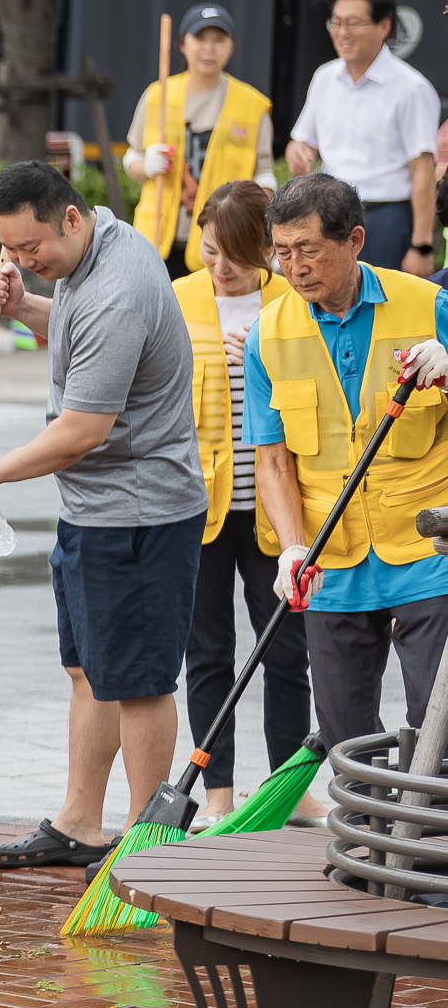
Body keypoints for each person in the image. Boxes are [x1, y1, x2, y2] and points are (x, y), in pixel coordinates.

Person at [0, 163, 202, 872]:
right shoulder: (97, 252)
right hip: (96, 508)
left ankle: (150, 842)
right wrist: (30, 303)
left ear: (70, 217)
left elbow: (83, 429)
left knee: (141, 680)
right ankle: (79, 821)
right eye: (10, 250)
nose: (24, 260)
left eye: (32, 248)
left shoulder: (120, 287)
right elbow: (79, 332)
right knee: (90, 670)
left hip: (139, 514)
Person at [246, 172, 448, 750]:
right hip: (329, 553)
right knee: (343, 734)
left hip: (426, 550)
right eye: (282, 252)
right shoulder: (268, 335)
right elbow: (275, 460)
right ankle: (366, 836)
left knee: (439, 724)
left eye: (308, 249)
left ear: (354, 240)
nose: (294, 266)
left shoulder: (427, 305)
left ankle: (430, 835)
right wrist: (290, 547)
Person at [178, 180, 311, 822]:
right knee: (207, 653)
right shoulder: (174, 300)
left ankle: (292, 789)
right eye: (209, 251)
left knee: (286, 650)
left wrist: (269, 357)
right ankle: (219, 793)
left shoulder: (295, 303)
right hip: (196, 507)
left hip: (273, 507)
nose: (221, 267)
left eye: (235, 254)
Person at [286, 0, 440, 274]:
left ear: (384, 27)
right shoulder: (325, 78)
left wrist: (421, 246)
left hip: (385, 218)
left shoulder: (411, 88)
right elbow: (303, 141)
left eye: (353, 23)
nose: (342, 32)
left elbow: (422, 169)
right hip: (327, 214)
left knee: (382, 309)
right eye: (336, 22)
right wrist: (298, 151)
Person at [123, 2, 277, 276]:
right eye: (200, 39)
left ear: (231, 46)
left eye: (219, 40)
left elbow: (264, 175)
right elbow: (131, 159)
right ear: (183, 44)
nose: (209, 49)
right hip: (157, 241)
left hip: (223, 247)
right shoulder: (158, 95)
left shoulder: (252, 106)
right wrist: (145, 165)